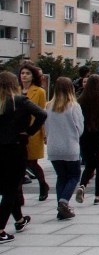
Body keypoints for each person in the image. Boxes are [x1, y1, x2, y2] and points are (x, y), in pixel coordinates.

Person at [0, 71, 47, 243]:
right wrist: (29, 131)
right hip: (16, 148)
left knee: (7, 187)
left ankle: (19, 220)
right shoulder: (19, 100)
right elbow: (42, 114)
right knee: (11, 189)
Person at [44, 77, 85, 220]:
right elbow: (79, 128)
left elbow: (46, 127)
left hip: (53, 146)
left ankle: (60, 207)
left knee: (61, 176)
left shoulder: (48, 106)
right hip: (70, 145)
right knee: (74, 176)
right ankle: (64, 201)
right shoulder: (73, 106)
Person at [76, 75, 99, 205]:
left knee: (89, 164)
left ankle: (82, 185)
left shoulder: (81, 100)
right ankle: (98, 196)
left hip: (85, 135)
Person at [19, 63, 49, 201]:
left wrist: (44, 134)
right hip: (18, 132)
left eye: (27, 73)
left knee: (32, 162)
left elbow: (43, 113)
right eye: (22, 73)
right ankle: (19, 195)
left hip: (33, 132)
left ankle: (43, 185)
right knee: (19, 164)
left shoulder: (39, 91)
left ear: (33, 76)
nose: (24, 76)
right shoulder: (16, 90)